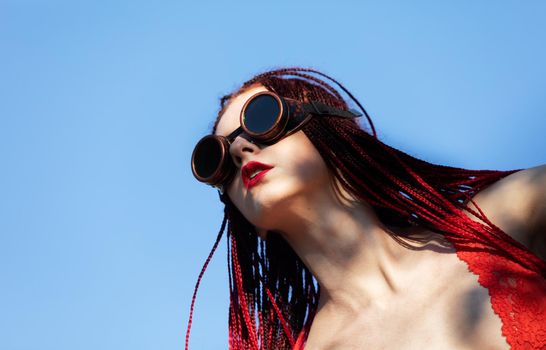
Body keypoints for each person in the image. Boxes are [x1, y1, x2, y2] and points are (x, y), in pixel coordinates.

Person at [186, 67, 546, 349]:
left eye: (261, 118)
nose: (239, 151)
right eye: (217, 161)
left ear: (329, 130)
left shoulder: (505, 218)